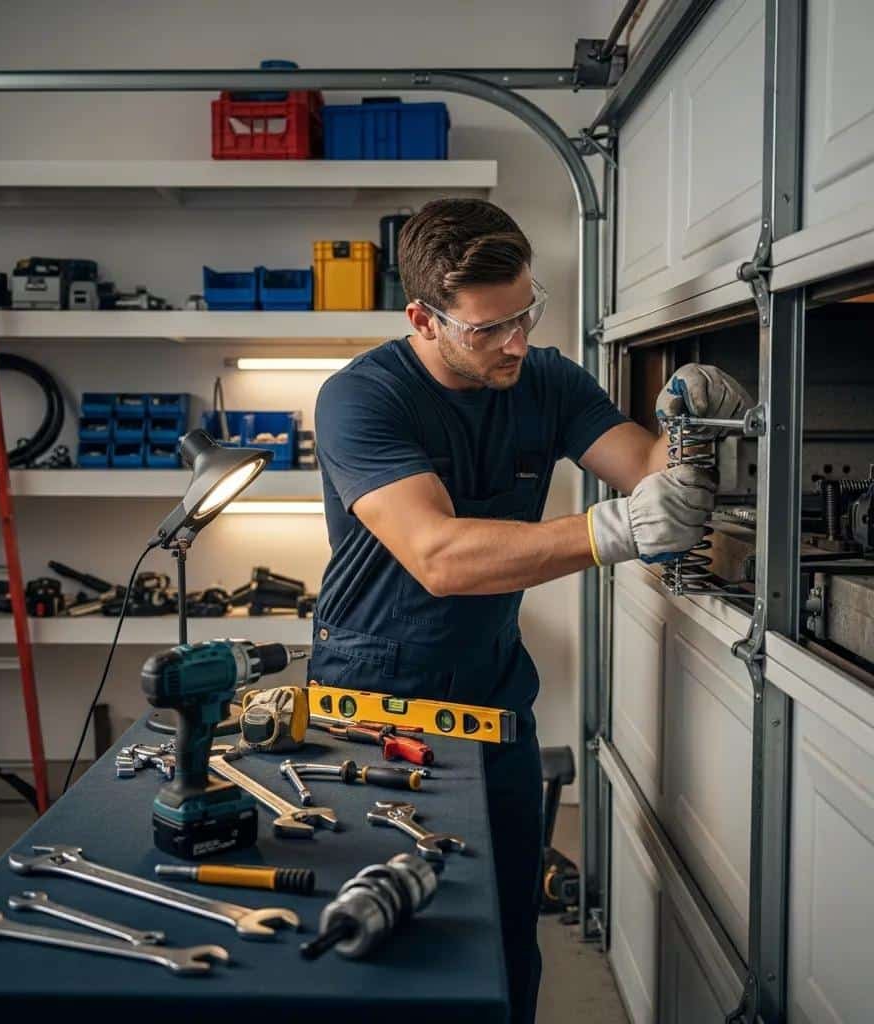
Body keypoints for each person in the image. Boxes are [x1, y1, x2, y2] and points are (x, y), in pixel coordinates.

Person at [308, 198, 752, 1022]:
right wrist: (614, 529)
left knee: (507, 931)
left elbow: (643, 469)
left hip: (493, 689)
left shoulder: (544, 378)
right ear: (424, 318)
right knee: (388, 927)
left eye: (526, 314)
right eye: (489, 328)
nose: (516, 340)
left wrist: (691, 431)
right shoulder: (360, 399)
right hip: (374, 699)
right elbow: (437, 556)